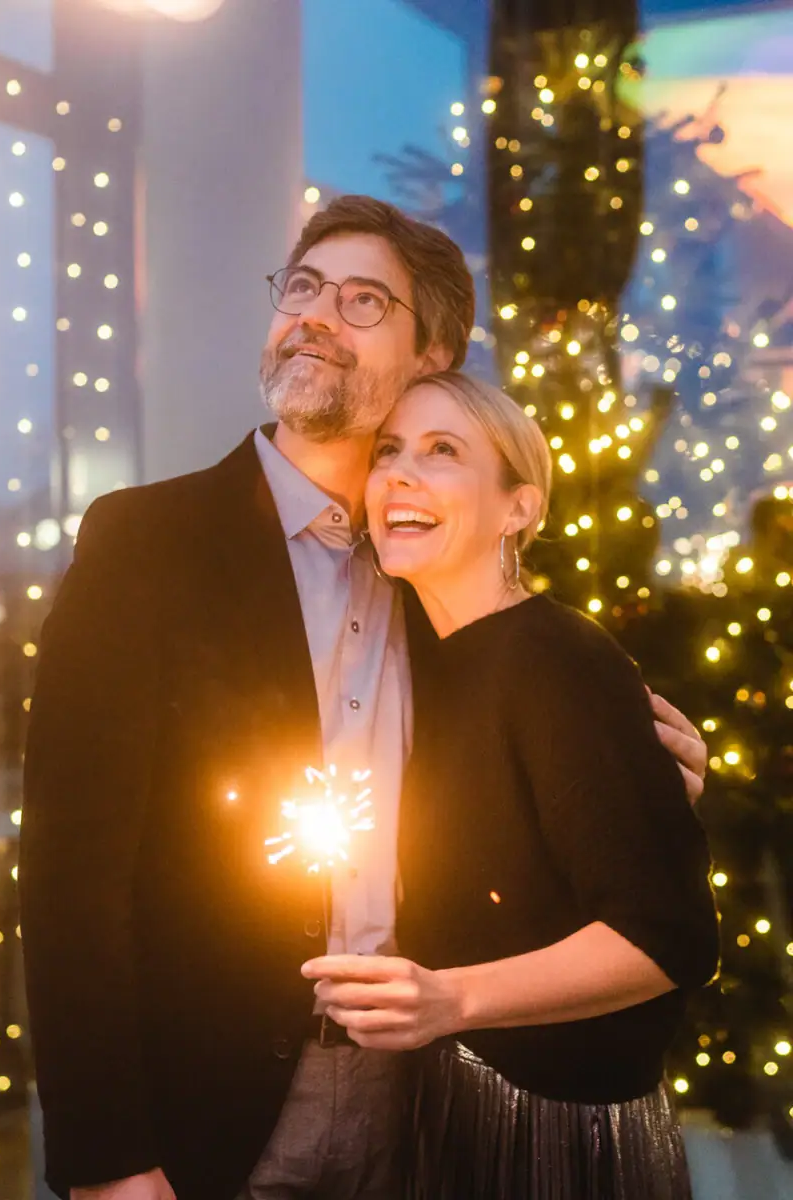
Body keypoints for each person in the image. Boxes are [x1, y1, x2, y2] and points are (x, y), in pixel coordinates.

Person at [19, 195, 709, 1200]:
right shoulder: (144, 543)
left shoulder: (440, 576)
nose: (314, 315)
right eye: (302, 288)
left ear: (433, 354)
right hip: (211, 1107)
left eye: (361, 301)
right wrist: (108, 1159)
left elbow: (530, 789)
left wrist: (640, 787)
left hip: (430, 1097)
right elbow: (69, 874)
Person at [306, 372, 719, 1199]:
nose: (400, 475)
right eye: (389, 451)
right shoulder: (427, 660)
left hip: (559, 1136)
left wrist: (449, 999)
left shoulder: (558, 660)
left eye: (442, 451)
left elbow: (670, 937)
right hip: (458, 1108)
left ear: (518, 508)